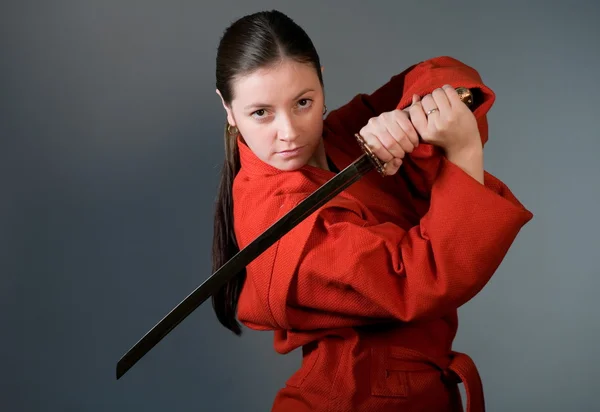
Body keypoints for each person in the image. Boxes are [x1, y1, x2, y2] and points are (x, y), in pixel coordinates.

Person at [210, 9, 533, 412]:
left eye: (303, 102)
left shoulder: (340, 135)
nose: (290, 131)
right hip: (353, 400)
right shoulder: (276, 221)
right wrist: (464, 150)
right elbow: (420, 277)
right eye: (261, 113)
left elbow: (442, 74)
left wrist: (411, 116)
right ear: (228, 108)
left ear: (322, 83)